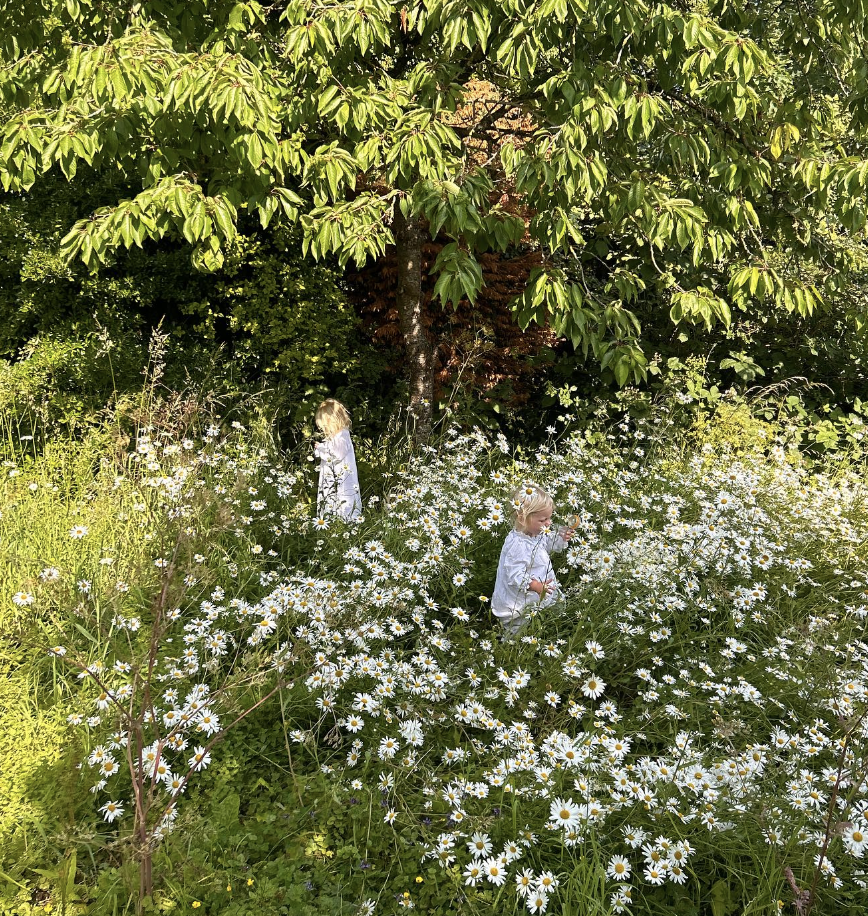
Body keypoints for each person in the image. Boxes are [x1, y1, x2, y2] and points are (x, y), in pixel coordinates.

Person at [491, 484, 573, 634]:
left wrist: (560, 537)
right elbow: (514, 575)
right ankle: (511, 648)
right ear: (523, 518)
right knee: (518, 626)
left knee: (546, 609)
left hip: (540, 587)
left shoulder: (535, 534)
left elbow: (547, 544)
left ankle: (550, 629)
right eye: (543, 520)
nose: (548, 523)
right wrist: (534, 585)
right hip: (520, 597)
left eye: (549, 518)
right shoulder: (518, 545)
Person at [313, 399, 362, 520]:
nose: (323, 428)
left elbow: (337, 454)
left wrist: (322, 448)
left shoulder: (342, 435)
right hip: (332, 480)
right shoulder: (334, 437)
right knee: (331, 501)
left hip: (341, 480)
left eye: (324, 424)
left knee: (344, 504)